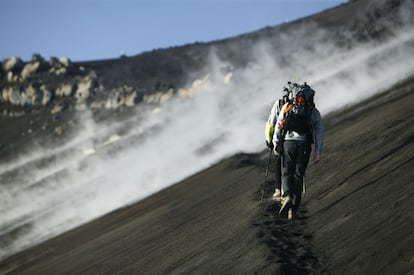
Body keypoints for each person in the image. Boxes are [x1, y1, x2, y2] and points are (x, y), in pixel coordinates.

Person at [271, 82, 324, 220]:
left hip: (288, 143)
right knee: (298, 175)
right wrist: (317, 151)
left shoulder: (288, 107)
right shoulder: (312, 111)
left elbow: (279, 125)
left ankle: (286, 196)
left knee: (286, 172)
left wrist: (276, 142)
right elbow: (319, 131)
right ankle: (294, 209)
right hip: (304, 145)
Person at [265, 85, 290, 202]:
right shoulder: (297, 105)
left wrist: (269, 140)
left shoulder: (279, 104)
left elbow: (271, 124)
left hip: (280, 137)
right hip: (294, 137)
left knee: (279, 161)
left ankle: (278, 189)